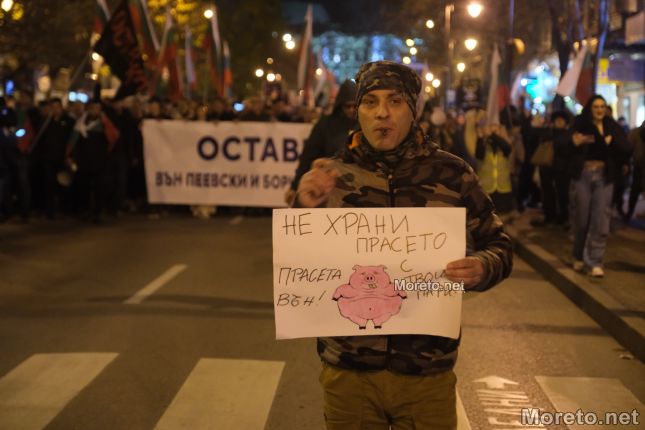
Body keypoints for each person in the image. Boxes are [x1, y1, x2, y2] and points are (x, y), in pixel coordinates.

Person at [294, 61, 513, 429]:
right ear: (357, 111)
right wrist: (304, 206)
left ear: (414, 110)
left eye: (395, 101)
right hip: (349, 374)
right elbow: (297, 264)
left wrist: (482, 267)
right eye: (370, 102)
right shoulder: (332, 175)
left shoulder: (453, 174)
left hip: (427, 375)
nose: (382, 112)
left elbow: (499, 246)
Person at [570, 94, 630, 277]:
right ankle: (578, 255)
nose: (599, 110)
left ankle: (595, 261)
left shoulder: (612, 126)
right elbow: (562, 144)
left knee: (601, 220)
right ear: (590, 108)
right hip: (583, 176)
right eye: (596, 106)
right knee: (582, 219)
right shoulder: (580, 124)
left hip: (604, 177)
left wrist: (612, 142)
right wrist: (574, 141)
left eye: (602, 107)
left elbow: (627, 148)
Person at [285, 80, 357, 204]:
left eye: (354, 106)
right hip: (329, 188)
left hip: (360, 189)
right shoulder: (326, 125)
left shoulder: (366, 125)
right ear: (340, 105)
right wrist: (295, 186)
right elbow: (308, 156)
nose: (351, 110)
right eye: (347, 106)